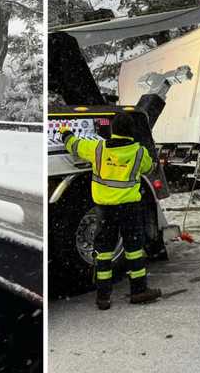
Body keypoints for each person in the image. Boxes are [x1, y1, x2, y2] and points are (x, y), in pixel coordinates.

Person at [60, 112, 162, 310]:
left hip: (105, 210)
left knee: (104, 251)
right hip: (130, 209)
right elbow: (149, 168)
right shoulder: (139, 152)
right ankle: (139, 291)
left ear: (112, 130)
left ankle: (103, 297)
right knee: (133, 250)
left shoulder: (97, 148)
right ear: (132, 131)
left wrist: (65, 133)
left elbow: (73, 146)